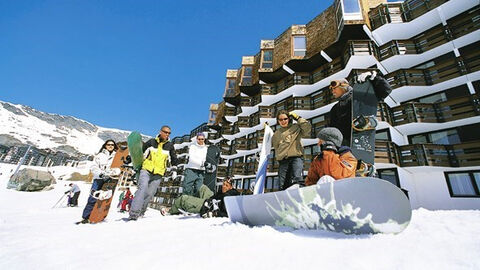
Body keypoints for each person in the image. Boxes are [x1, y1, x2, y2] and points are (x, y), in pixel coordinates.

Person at [328, 71, 392, 146]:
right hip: (345, 146)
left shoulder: (359, 97)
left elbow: (385, 91)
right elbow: (333, 128)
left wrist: (374, 78)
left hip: (360, 136)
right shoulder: (335, 109)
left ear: (344, 86)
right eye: (331, 90)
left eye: (334, 88)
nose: (333, 92)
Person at [129, 125, 179, 220]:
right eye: (165, 132)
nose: (167, 134)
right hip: (146, 169)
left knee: (150, 193)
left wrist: (174, 170)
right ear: (160, 132)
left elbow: (174, 159)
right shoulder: (151, 142)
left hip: (159, 173)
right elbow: (139, 152)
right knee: (142, 188)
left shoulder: (170, 146)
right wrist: (132, 160)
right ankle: (134, 213)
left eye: (169, 133)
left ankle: (141, 212)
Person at [79, 139, 120, 224]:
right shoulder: (99, 155)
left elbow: (120, 165)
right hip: (99, 178)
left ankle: (99, 216)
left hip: (109, 179)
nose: (110, 146)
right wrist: (101, 174)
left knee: (105, 197)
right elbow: (94, 167)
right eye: (108, 144)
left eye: (112, 145)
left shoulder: (116, 156)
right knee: (93, 197)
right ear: (105, 145)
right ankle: (86, 217)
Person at [161, 177, 240, 218]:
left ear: (231, 187)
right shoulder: (222, 192)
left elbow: (227, 213)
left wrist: (215, 213)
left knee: (183, 198)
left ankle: (170, 210)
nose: (224, 186)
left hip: (208, 206)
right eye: (223, 184)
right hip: (211, 200)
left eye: (226, 185)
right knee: (203, 188)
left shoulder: (229, 196)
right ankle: (192, 203)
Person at [272, 110, 312, 190]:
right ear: (278, 121)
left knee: (297, 179)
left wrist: (298, 118)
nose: (283, 121)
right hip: (283, 161)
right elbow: (275, 146)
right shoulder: (277, 133)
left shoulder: (296, 127)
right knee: (282, 184)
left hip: (296, 158)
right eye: (281, 120)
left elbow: (307, 127)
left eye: (285, 119)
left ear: (289, 119)